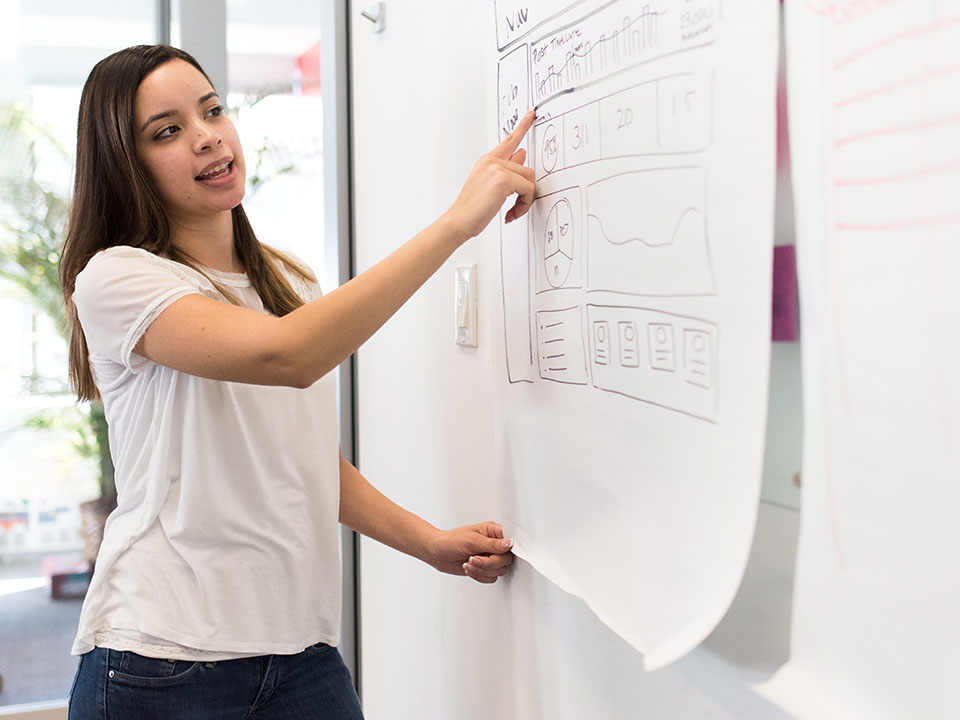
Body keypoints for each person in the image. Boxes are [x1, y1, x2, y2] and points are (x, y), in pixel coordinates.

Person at [60, 44, 536, 720]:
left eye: (212, 110)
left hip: (301, 654)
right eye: (166, 131)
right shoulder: (117, 278)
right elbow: (290, 357)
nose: (207, 137)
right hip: (160, 661)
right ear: (126, 166)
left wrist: (427, 543)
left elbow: (303, 463)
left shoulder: (287, 285)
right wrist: (459, 223)